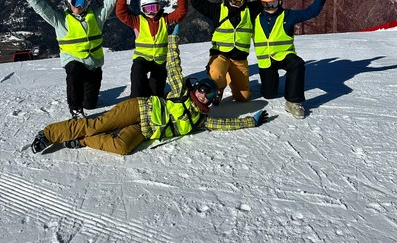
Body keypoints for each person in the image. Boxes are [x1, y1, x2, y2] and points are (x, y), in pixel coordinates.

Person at [30, 25, 269, 155]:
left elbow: (227, 125)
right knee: (96, 124)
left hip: (144, 130)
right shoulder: (181, 93)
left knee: (122, 147)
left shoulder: (201, 120)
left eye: (208, 93)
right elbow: (174, 67)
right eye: (201, 88)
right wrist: (173, 40)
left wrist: (250, 122)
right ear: (196, 88)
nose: (203, 93)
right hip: (137, 109)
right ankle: (49, 134)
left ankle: (82, 142)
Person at [0, 0, 125, 119]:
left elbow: (110, 0)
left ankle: (83, 95)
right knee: (74, 71)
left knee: (90, 104)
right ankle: (75, 110)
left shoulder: (97, 18)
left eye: (83, 3)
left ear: (88, 4)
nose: (79, 6)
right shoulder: (60, 20)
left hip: (93, 67)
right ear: (69, 3)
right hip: (74, 63)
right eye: (75, 2)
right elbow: (39, 5)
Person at [183, 0, 287, 104]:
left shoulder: (249, 10)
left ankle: (230, 78)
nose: (239, 2)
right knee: (216, 73)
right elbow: (197, 2)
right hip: (220, 55)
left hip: (239, 60)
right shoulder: (218, 10)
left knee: (243, 98)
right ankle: (218, 89)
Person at [254, 0, 336, 119]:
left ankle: (292, 101)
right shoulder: (255, 18)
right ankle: (271, 83)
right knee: (269, 94)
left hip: (284, 55)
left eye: (274, 4)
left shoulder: (288, 15)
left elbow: (312, 12)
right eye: (267, 5)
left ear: (280, 1)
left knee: (297, 64)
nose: (271, 8)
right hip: (265, 62)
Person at [116, 0, 188, 97]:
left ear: (159, 8)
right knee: (137, 75)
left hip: (159, 63)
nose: (151, 12)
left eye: (154, 8)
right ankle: (136, 100)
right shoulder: (138, 21)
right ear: (142, 9)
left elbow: (181, 12)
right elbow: (121, 13)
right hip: (142, 60)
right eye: (147, 9)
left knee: (156, 94)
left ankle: (153, 94)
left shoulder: (164, 20)